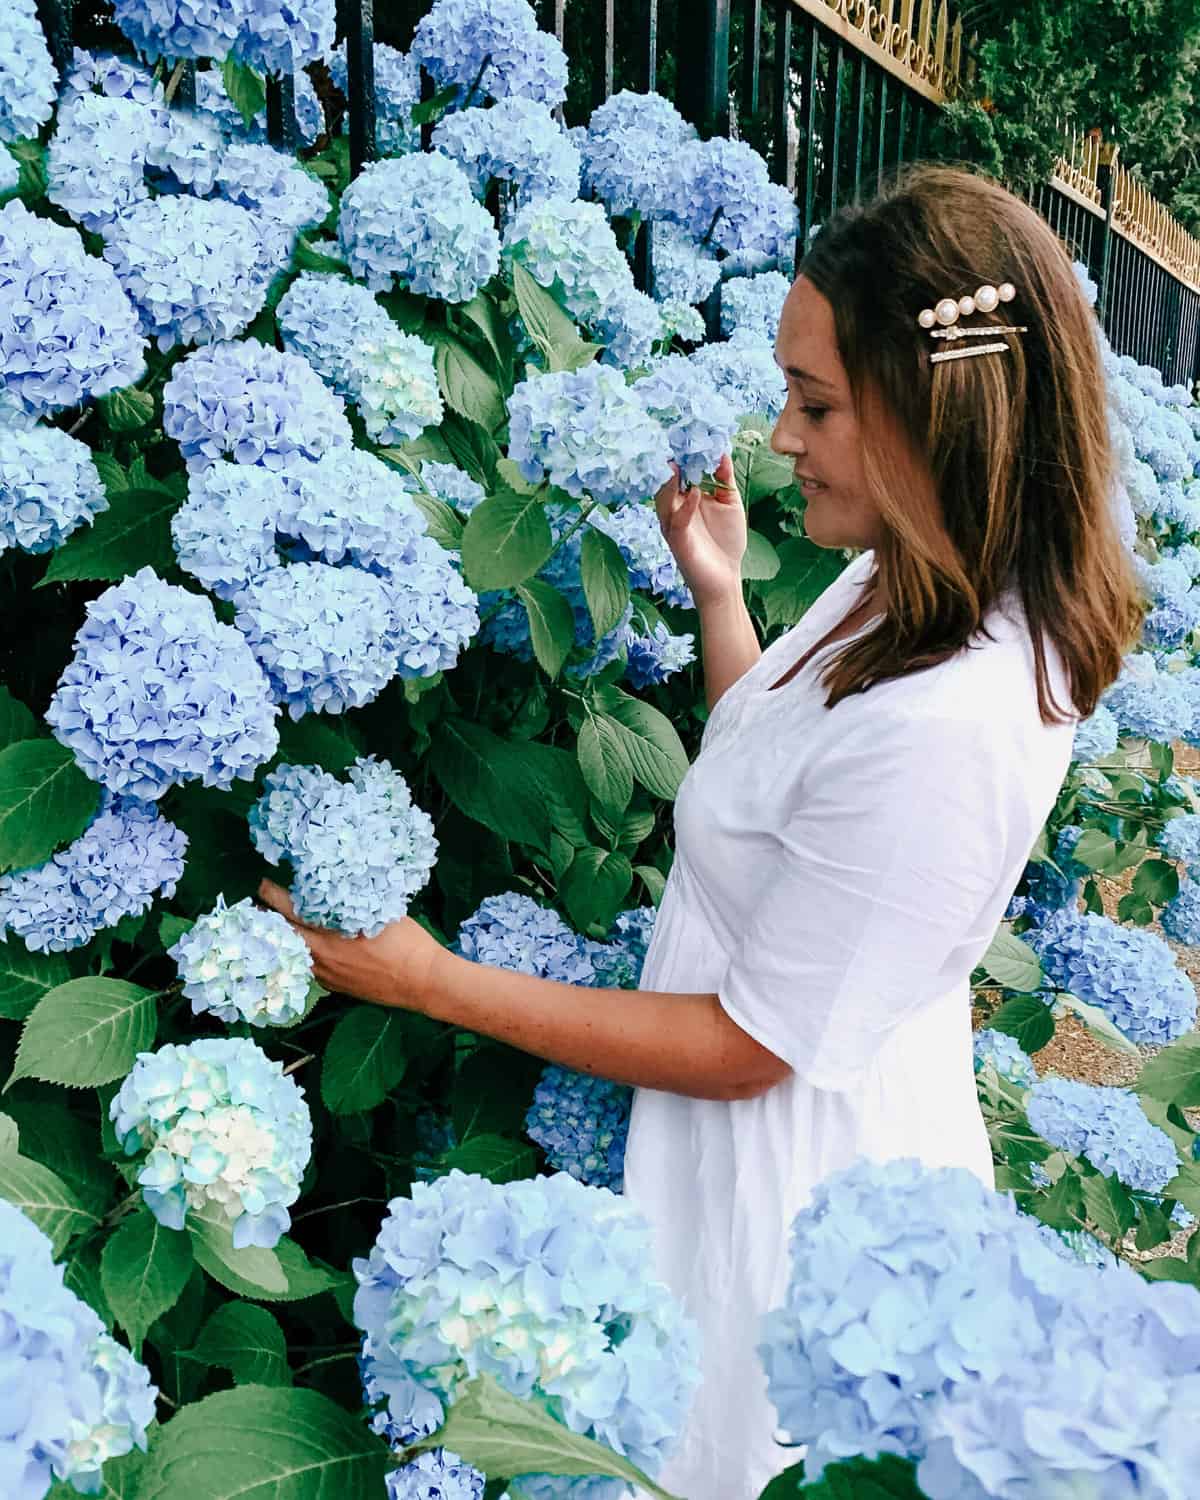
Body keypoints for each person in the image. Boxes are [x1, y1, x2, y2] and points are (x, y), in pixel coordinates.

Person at [259, 162, 1144, 1498]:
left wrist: (428, 981)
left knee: (717, 1454)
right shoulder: (908, 586)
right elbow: (783, 795)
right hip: (765, 1134)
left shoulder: (957, 716)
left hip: (784, 1192)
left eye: (818, 404)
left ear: (935, 412)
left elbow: (749, 1047)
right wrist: (722, 598)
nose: (782, 436)